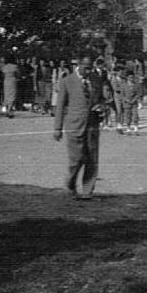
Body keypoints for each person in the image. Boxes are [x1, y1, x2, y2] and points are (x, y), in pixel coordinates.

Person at [52, 55, 104, 200]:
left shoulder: (96, 79)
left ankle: (87, 192)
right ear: (78, 64)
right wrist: (58, 128)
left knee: (92, 159)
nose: (88, 71)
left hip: (92, 125)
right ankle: (69, 186)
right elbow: (60, 106)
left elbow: (101, 98)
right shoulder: (67, 81)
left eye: (91, 68)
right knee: (76, 159)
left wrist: (101, 106)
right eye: (86, 68)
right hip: (74, 125)